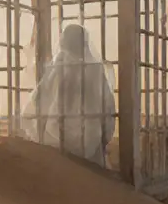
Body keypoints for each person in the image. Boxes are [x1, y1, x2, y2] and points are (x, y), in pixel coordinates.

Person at [20, 23, 116, 167]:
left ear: (63, 43)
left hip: (56, 141)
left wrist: (38, 132)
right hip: (90, 143)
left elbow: (35, 106)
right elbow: (108, 109)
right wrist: (103, 137)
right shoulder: (95, 71)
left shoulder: (57, 69)